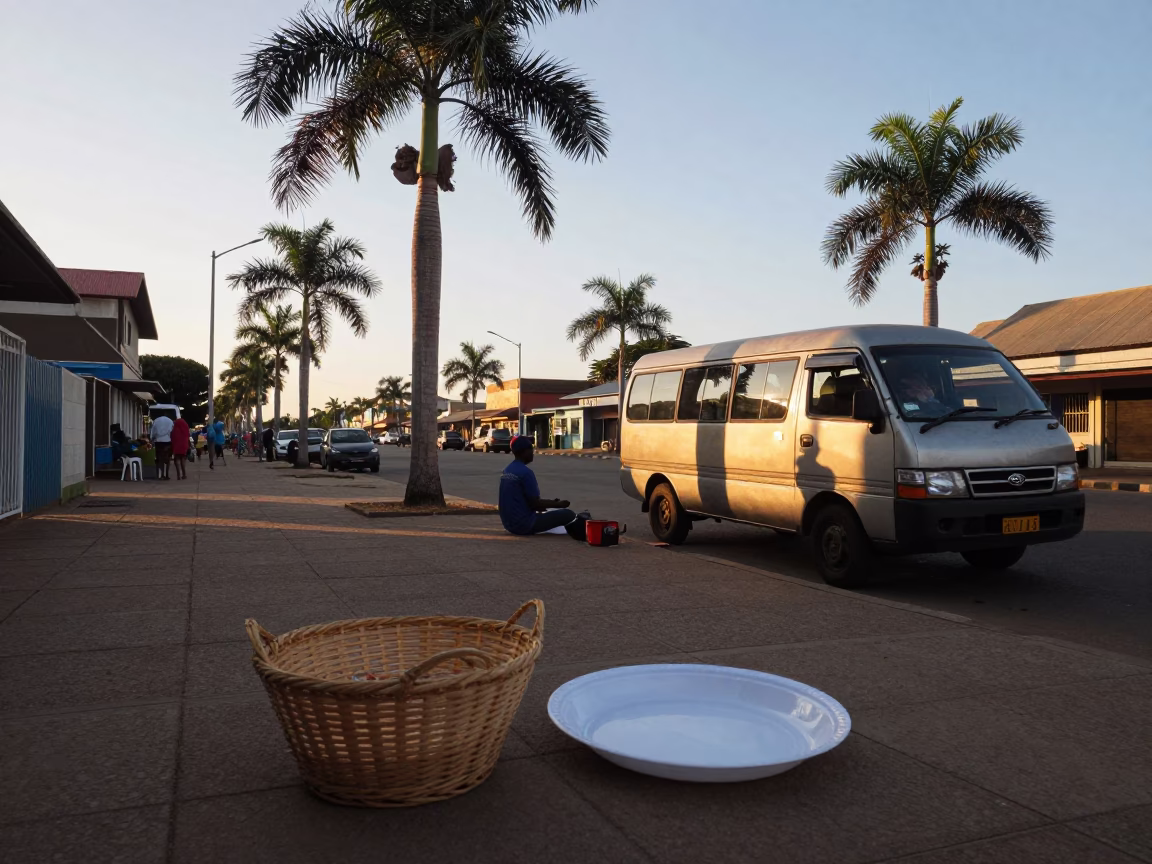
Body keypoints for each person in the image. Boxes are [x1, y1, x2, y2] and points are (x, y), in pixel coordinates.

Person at [499, 436, 582, 535]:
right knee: (568, 514)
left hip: (508, 524)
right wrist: (558, 504)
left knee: (549, 512)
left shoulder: (507, 469)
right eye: (531, 449)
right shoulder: (526, 472)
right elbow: (535, 504)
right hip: (524, 524)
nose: (532, 453)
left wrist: (550, 504)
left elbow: (521, 500)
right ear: (525, 451)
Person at [150, 413, 174, 480]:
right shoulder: (170, 421)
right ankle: (167, 474)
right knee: (167, 459)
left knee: (159, 459)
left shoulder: (156, 420)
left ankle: (160, 475)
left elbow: (153, 431)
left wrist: (152, 438)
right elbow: (172, 431)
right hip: (168, 441)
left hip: (158, 442)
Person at [170, 416, 190, 480]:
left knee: (176, 460)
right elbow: (188, 437)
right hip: (184, 446)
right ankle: (184, 474)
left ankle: (178, 475)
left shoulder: (175, 429)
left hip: (176, 446)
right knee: (183, 460)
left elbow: (172, 438)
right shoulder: (185, 429)